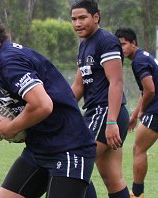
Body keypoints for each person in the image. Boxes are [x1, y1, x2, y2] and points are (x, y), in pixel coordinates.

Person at [0, 7, 96, 198]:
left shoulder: (9, 61)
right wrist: (8, 124)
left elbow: (42, 104)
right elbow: (28, 104)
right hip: (39, 149)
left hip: (68, 150)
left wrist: (12, 127)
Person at [70, 1, 130, 198]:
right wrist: (58, 109)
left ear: (96, 17)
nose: (77, 23)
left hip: (105, 114)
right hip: (97, 114)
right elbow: (79, 86)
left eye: (82, 18)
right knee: (112, 179)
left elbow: (116, 82)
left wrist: (112, 121)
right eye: (74, 19)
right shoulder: (84, 45)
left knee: (75, 163)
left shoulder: (106, 41)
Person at [115, 27, 157, 198]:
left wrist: (142, 111)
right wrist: (135, 114)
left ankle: (137, 194)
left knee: (138, 149)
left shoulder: (138, 61)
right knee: (139, 148)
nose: (121, 49)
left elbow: (150, 90)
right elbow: (145, 91)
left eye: (124, 44)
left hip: (156, 110)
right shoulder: (144, 56)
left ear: (133, 43)